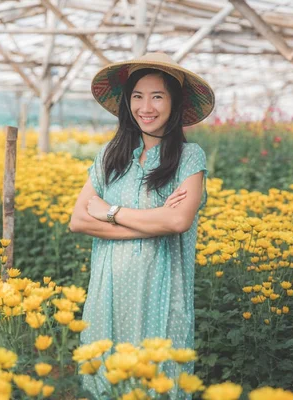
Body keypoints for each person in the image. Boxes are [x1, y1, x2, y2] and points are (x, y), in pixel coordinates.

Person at [69, 52, 215, 399]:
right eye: (137, 96)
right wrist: (153, 223)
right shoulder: (109, 156)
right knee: (109, 372)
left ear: (174, 103)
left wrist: (110, 211)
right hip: (109, 288)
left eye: (157, 96)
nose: (145, 107)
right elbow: (78, 220)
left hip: (161, 289)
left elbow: (178, 220)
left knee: (157, 375)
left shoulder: (188, 157)